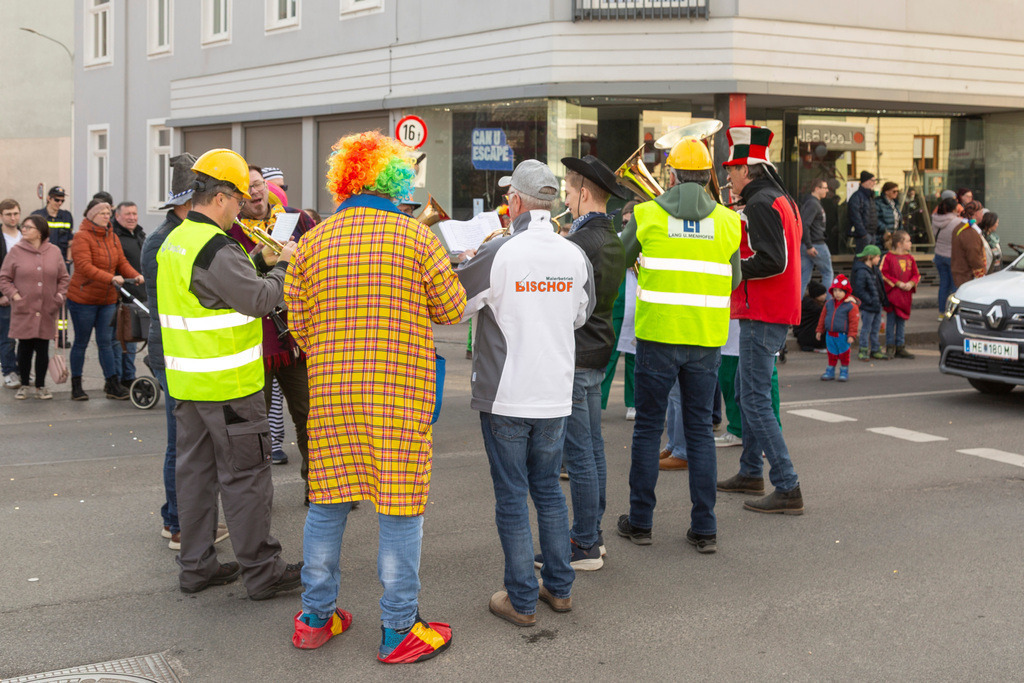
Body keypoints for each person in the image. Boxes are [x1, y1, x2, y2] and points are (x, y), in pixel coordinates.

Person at [284, 132, 464, 661]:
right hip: (398, 394)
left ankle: (315, 617)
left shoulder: (314, 240)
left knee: (328, 502)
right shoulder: (416, 237)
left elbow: (297, 323)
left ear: (343, 180)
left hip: (333, 395)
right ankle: (398, 628)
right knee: (400, 508)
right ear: (394, 179)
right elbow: (452, 310)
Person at [156, 148, 302, 601]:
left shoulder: (176, 240)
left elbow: (212, 293)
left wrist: (254, 262)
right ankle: (263, 571)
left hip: (188, 386)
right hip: (230, 388)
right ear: (220, 197)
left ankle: (196, 566)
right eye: (238, 197)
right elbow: (260, 301)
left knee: (196, 477)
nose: (242, 205)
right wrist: (282, 266)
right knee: (246, 478)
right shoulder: (216, 246)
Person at [456, 158, 593, 626]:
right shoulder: (574, 253)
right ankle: (559, 589)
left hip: (506, 395)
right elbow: (580, 314)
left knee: (513, 497)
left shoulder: (499, 251)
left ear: (514, 201)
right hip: (555, 393)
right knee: (550, 493)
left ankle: (521, 598)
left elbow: (454, 307)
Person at [616, 137, 741, 553]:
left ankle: (640, 522)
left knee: (649, 429)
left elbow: (618, 259)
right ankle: (704, 528)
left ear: (671, 174)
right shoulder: (727, 222)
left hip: (658, 336)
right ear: (709, 176)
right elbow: (736, 279)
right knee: (701, 433)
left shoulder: (648, 214)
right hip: (705, 338)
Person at [536, 154, 627, 572]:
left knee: (580, 454)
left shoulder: (577, 243)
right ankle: (593, 534)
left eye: (569, 192)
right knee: (592, 449)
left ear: (583, 193)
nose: (566, 200)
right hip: (599, 348)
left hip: (576, 352)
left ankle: (586, 544)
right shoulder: (612, 238)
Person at [142, 153, 230, 551]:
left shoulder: (173, 236)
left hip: (178, 351)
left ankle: (178, 520)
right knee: (184, 444)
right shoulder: (169, 240)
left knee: (187, 443)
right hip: (176, 353)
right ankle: (178, 523)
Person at [717, 125, 804, 516]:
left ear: (748, 169)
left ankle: (787, 485)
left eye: (732, 170)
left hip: (763, 310)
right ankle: (751, 471)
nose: (728, 177)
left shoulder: (761, 202)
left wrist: (731, 269)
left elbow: (773, 260)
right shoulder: (777, 198)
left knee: (752, 399)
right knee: (745, 392)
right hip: (768, 309)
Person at [231, 166, 315, 481]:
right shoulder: (230, 229)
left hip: (295, 334)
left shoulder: (297, 219)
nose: (254, 192)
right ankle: (256, 495)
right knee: (256, 423)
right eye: (246, 189)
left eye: (257, 185)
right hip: (256, 339)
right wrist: (258, 259)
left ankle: (320, 487)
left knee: (311, 415)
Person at [66, 200, 143, 401]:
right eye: (102, 212)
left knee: (106, 343)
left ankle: (112, 383)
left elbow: (122, 262)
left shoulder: (113, 236)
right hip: (83, 300)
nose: (106, 215)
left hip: (107, 299)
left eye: (108, 212)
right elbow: (84, 266)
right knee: (81, 342)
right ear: (91, 215)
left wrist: (135, 275)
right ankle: (76, 385)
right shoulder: (81, 237)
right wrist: (110, 278)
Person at [0, 215, 69, 399]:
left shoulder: (53, 251)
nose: (24, 229)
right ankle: (24, 385)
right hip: (24, 308)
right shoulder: (16, 251)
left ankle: (40, 386)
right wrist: (15, 296)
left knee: (42, 348)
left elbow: (64, 278)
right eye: (24, 227)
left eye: (29, 227)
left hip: (47, 308)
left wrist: (59, 296)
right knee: (24, 348)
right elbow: (4, 278)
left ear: (40, 231)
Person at [601, 200, 638, 419]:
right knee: (609, 355)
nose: (627, 227)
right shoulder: (616, 240)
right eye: (624, 222)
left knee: (634, 356)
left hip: (639, 304)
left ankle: (633, 403)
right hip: (617, 304)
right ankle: (597, 401)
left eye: (631, 223)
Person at [110, 201, 146, 384]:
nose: (132, 217)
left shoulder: (140, 234)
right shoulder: (114, 237)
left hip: (140, 297)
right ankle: (122, 379)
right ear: (117, 216)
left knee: (133, 340)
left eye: (134, 213)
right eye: (127, 214)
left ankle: (129, 377)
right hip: (123, 298)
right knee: (122, 341)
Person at [881, 230, 920, 359]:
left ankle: (900, 346)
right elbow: (884, 274)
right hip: (893, 295)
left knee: (902, 322)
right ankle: (890, 346)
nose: (910, 243)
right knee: (891, 321)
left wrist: (911, 283)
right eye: (908, 241)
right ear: (899, 244)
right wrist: (897, 283)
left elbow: (916, 274)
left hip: (905, 296)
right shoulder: (888, 257)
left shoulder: (910, 258)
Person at [815, 274, 860, 382]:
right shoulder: (828, 304)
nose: (837, 293)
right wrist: (819, 330)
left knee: (844, 354)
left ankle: (844, 371)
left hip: (843, 335)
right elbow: (823, 318)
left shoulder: (851, 305)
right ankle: (830, 371)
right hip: (830, 335)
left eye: (840, 291)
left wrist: (852, 335)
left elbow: (854, 322)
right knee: (831, 354)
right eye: (835, 290)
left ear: (846, 292)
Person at [851, 245, 888, 361]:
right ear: (870, 257)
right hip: (869, 306)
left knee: (876, 328)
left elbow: (880, 286)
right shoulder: (862, 271)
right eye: (877, 257)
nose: (879, 259)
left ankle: (875, 349)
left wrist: (882, 300)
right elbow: (859, 290)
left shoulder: (875, 269)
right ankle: (863, 349)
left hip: (876, 304)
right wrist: (870, 300)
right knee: (866, 329)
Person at [0, 198, 23, 388]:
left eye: (15, 213)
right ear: (1, 216)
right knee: (7, 336)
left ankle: (23, 369)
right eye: (8, 214)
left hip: (26, 295)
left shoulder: (26, 235)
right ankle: (9, 371)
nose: (13, 217)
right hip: (4, 296)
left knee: (27, 335)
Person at [798, 178, 832, 295]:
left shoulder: (811, 202)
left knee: (804, 277)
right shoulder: (813, 204)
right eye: (825, 188)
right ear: (817, 189)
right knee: (828, 273)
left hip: (809, 244)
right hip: (816, 244)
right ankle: (828, 304)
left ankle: (799, 306)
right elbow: (805, 224)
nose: (827, 190)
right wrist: (809, 245)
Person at [931, 196, 963, 313]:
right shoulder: (957, 221)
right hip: (952, 256)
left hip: (939, 255)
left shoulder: (935, 219)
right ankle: (952, 312)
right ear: (954, 209)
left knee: (943, 285)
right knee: (954, 286)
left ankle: (941, 313)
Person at [30, 186, 74, 264]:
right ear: (49, 198)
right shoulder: (37, 215)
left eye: (62, 201)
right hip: (41, 260)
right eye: (57, 200)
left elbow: (70, 240)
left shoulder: (66, 216)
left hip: (61, 260)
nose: (60, 203)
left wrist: (68, 259)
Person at [950, 208, 987, 289]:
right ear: (976, 214)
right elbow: (974, 255)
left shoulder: (961, 228)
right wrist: (981, 272)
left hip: (961, 273)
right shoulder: (969, 231)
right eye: (981, 212)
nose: (982, 215)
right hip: (967, 276)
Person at [847, 171, 878, 253]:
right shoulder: (857, 197)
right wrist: (863, 234)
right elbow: (855, 217)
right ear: (866, 181)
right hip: (864, 235)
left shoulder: (869, 197)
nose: (874, 183)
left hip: (871, 234)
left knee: (869, 259)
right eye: (873, 181)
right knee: (862, 258)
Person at [794, 281, 827, 352]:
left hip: (801, 332)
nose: (825, 295)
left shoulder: (810, 302)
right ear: (817, 295)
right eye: (823, 294)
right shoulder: (811, 305)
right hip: (806, 334)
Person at [875, 182, 902, 246]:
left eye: (897, 191)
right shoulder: (878, 202)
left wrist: (900, 232)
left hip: (894, 235)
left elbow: (898, 219)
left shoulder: (894, 203)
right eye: (894, 191)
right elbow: (875, 219)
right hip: (883, 236)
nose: (896, 193)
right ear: (886, 192)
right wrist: (885, 230)